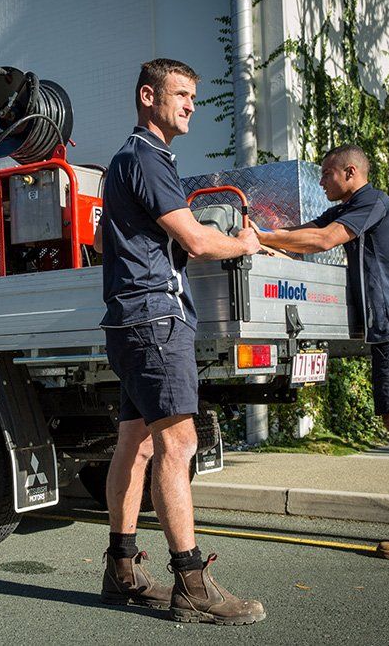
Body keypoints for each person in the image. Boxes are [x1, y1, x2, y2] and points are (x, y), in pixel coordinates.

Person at [98, 58, 265, 624]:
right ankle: (192, 585)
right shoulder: (144, 157)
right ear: (149, 96)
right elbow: (194, 240)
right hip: (154, 319)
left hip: (131, 320)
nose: (192, 104)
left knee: (137, 445)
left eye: (194, 95)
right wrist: (243, 243)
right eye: (182, 94)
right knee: (178, 446)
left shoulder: (134, 160)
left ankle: (120, 569)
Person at [254, 144, 389, 560]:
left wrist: (263, 236)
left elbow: (322, 240)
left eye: (326, 174)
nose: (321, 182)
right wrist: (270, 244)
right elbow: (309, 233)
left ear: (351, 173)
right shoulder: (350, 207)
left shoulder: (372, 201)